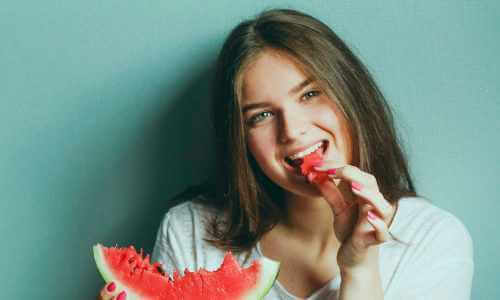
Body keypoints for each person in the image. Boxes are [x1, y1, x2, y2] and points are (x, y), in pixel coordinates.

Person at [99, 8, 473, 300]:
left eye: (310, 94)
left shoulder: (433, 241)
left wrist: (359, 269)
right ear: (240, 138)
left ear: (351, 95)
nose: (292, 131)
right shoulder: (191, 230)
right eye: (260, 115)